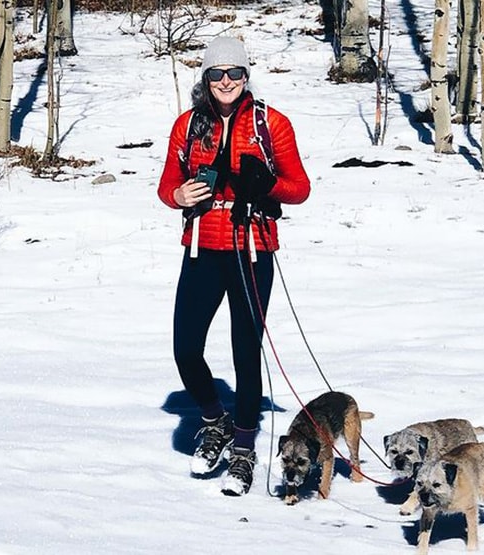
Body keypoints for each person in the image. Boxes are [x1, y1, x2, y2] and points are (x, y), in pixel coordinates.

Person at [158, 36, 310, 496]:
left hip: (251, 247)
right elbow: (168, 185)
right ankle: (214, 419)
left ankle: (243, 449)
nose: (226, 82)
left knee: (246, 351)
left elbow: (299, 187)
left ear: (246, 77)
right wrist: (178, 196)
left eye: (235, 73)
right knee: (186, 348)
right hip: (203, 247)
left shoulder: (271, 123)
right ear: (205, 79)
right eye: (217, 74)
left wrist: (268, 186)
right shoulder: (187, 125)